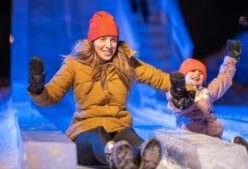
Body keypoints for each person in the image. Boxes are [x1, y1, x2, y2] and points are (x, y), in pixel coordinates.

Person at [27, 11, 172, 169]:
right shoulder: (75, 64)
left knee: (128, 134)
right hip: (84, 136)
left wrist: (182, 87)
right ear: (93, 40)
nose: (108, 46)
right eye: (103, 39)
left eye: (113, 40)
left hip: (118, 128)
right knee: (98, 133)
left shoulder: (125, 63)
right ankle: (115, 157)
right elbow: (53, 94)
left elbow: (158, 77)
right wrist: (38, 90)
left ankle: (141, 154)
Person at [167, 40, 248, 169]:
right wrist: (180, 95)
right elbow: (174, 101)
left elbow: (223, 79)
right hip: (194, 141)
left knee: (239, 145)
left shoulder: (206, 93)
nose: (197, 74)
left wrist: (231, 58)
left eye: (200, 72)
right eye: (192, 71)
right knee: (232, 151)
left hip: (213, 138)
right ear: (183, 76)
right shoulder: (179, 94)